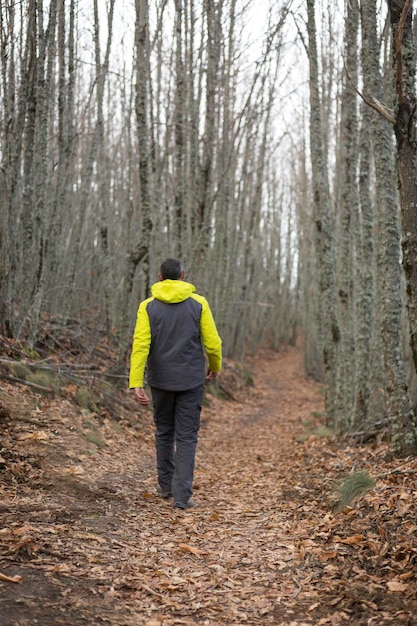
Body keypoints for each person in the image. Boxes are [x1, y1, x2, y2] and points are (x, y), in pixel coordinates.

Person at [129, 258, 222, 510]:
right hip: (191, 380)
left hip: (160, 381)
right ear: (183, 275)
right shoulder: (198, 304)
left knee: (164, 431)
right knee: (187, 436)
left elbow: (140, 346)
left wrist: (136, 381)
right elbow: (213, 343)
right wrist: (214, 366)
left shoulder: (147, 307)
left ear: (160, 277)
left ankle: (166, 486)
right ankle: (182, 496)